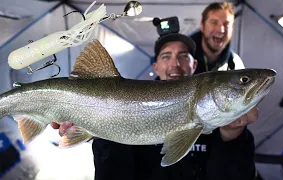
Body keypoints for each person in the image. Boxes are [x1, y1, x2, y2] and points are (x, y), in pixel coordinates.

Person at [50, 31, 258, 180]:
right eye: (166, 56)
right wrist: (100, 133)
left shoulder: (217, 122)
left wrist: (233, 138)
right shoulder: (121, 100)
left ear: (194, 65)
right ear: (156, 66)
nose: (175, 64)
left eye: (183, 56)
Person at [190, 2, 244, 74]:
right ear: (202, 26)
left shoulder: (235, 64)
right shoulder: (182, 59)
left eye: (226, 24)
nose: (221, 30)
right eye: (214, 22)